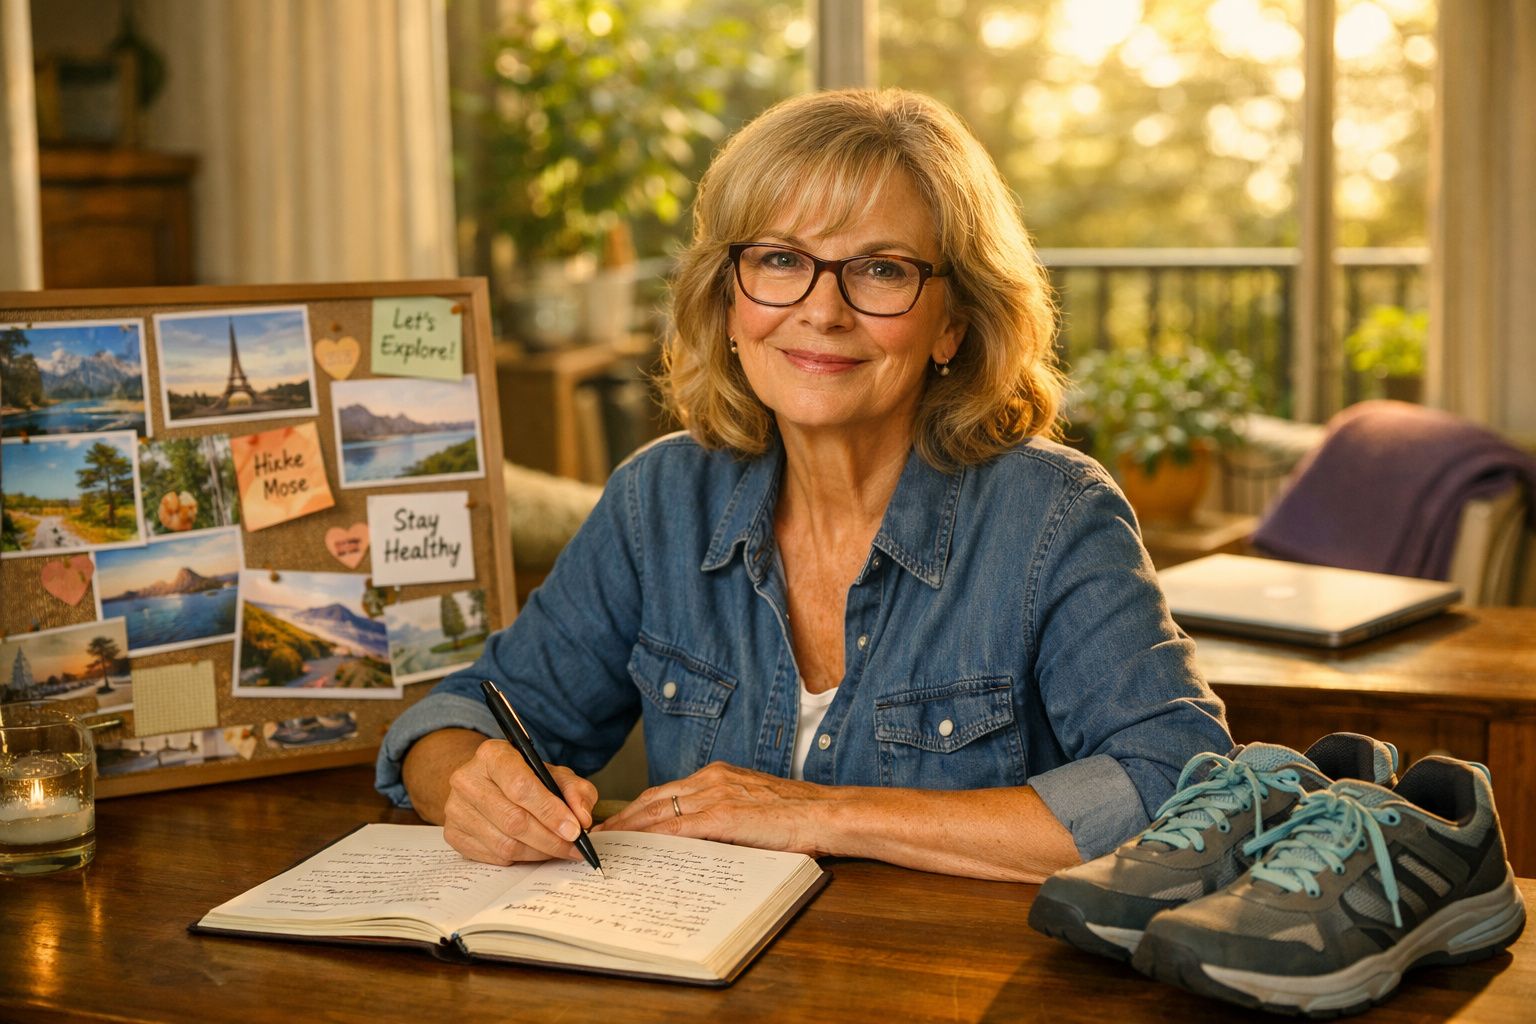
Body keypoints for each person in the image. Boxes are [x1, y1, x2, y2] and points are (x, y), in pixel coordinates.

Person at [376, 87, 1231, 882]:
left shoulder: (1053, 516)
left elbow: (1183, 786)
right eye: (782, 259)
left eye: (882, 269)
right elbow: (459, 717)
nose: (822, 310)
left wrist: (814, 814)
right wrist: (473, 788)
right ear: (729, 302)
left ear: (953, 325)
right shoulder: (659, 500)